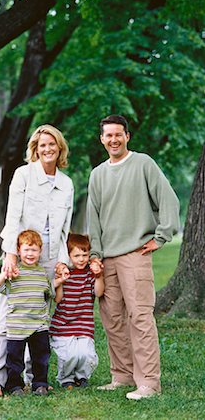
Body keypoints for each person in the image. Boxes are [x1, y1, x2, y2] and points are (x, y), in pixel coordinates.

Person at [87, 114, 180, 400]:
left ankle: (149, 384)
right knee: (112, 319)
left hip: (136, 254)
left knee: (140, 317)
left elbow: (169, 200)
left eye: (119, 134)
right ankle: (122, 376)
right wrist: (95, 254)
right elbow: (94, 217)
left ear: (127, 136)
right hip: (107, 258)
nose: (113, 139)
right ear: (102, 139)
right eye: (108, 135)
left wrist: (161, 236)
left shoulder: (143, 164)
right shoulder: (97, 174)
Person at [0, 124, 74, 397]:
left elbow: (63, 231)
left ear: (60, 148)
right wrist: (11, 253)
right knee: (8, 319)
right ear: (35, 150)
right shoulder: (23, 175)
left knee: (38, 319)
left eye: (52, 144)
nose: (47, 149)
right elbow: (12, 216)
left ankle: (29, 378)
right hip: (21, 254)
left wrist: (62, 261)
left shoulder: (66, 184)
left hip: (48, 258)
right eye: (41, 145)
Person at [0, 230, 63, 396]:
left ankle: (40, 384)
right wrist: (4, 273)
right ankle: (14, 386)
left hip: (39, 325)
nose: (30, 254)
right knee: (14, 360)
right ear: (18, 251)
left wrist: (60, 281)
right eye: (26, 250)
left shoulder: (42, 273)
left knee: (41, 358)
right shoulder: (14, 273)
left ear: (40, 251)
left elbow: (50, 292)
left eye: (34, 250)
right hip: (17, 326)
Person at [50, 233, 105, 389]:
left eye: (85, 255)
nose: (81, 259)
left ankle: (81, 377)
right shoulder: (65, 273)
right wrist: (61, 280)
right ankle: (66, 378)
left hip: (84, 324)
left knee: (86, 354)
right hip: (63, 325)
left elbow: (99, 293)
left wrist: (99, 275)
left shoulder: (89, 274)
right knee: (70, 355)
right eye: (76, 255)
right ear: (68, 256)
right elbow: (58, 299)